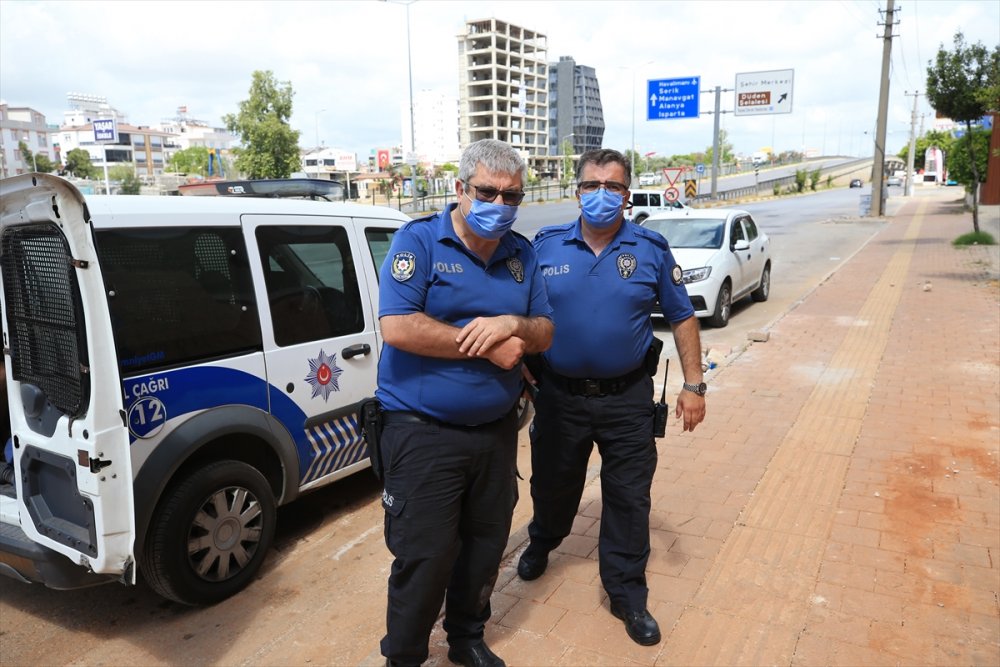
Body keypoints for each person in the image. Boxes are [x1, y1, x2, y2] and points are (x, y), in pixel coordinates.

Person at [376, 139, 554, 667]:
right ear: (460, 189)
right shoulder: (420, 242)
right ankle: (404, 655)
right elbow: (398, 325)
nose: (499, 205)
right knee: (426, 554)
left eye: (512, 197)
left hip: (496, 429)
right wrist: (488, 345)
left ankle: (466, 637)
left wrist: (512, 325)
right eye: (487, 192)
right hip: (421, 431)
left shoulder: (521, 253)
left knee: (485, 544)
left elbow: (544, 330)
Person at [519, 148, 706, 647]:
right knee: (554, 486)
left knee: (628, 497)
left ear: (627, 193)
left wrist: (694, 385)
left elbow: (682, 315)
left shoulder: (650, 248)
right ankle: (543, 541)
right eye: (591, 186)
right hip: (559, 397)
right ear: (576, 190)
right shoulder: (545, 247)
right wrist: (519, 368)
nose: (601, 195)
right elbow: (516, 311)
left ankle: (626, 593)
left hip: (628, 400)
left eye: (613, 187)